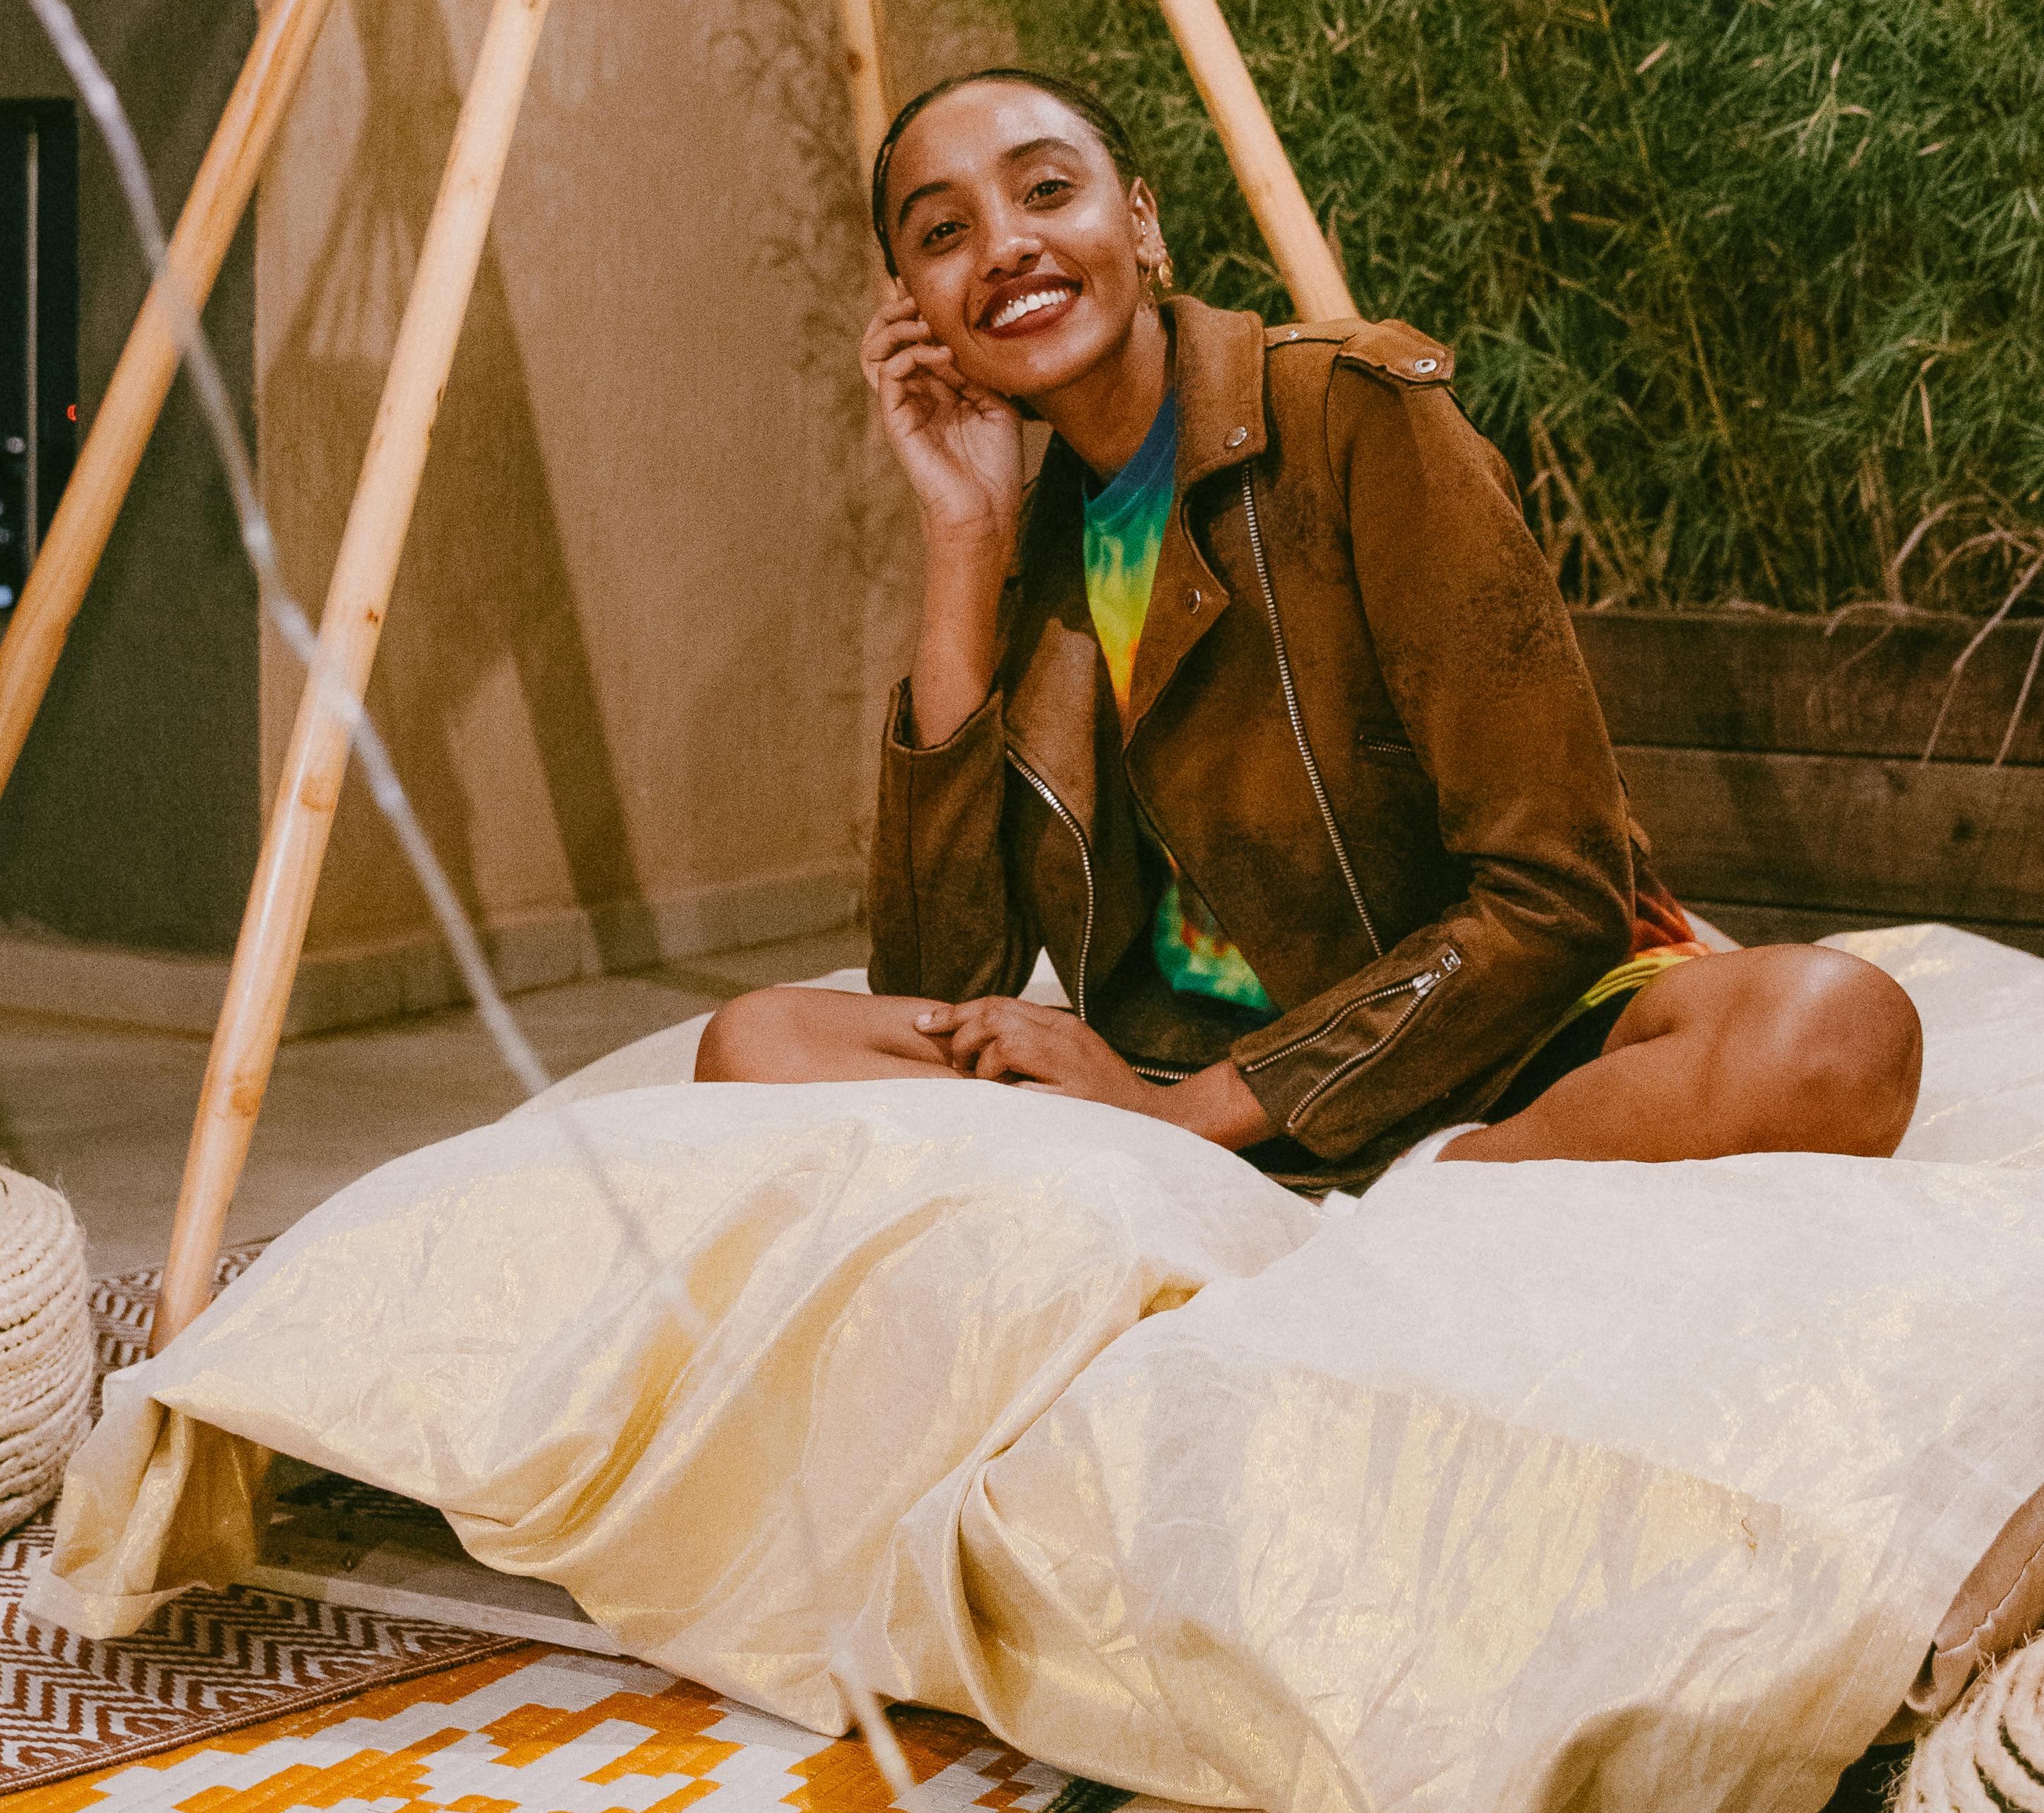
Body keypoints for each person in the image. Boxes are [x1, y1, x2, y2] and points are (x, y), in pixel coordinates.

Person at [698, 63, 1921, 1176]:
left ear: (1142, 222)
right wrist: (964, 541)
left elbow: (1557, 894)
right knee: (758, 1040)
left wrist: (1192, 1118)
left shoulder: (1351, 414)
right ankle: (1303, 1176)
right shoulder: (1026, 542)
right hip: (1174, 1066)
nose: (1006, 247)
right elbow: (933, 982)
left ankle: (1420, 1187)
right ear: (914, 304)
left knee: (1833, 1030)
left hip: (1492, 1040)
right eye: (945, 233)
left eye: (1048, 191)